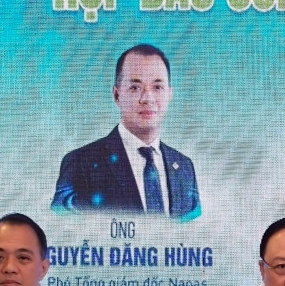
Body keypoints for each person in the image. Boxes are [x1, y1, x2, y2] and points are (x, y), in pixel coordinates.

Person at [52, 44, 201, 221]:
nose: (147, 98)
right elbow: (61, 228)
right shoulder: (80, 163)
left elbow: (194, 229)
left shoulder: (184, 167)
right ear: (117, 95)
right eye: (135, 88)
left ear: (170, 94)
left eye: (157, 87)